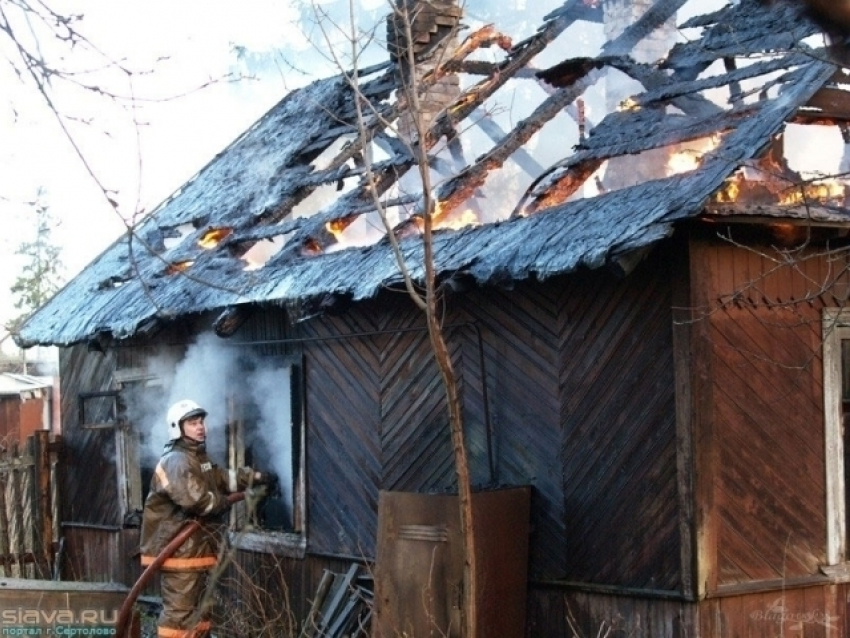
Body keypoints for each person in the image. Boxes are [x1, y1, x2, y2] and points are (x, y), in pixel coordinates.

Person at [140, 399, 277, 638]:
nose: (201, 427)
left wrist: (255, 477)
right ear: (177, 427)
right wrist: (225, 502)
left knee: (201, 616)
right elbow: (200, 502)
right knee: (179, 618)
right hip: (179, 553)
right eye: (193, 423)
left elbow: (222, 478)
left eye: (201, 421)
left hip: (196, 552)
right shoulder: (177, 461)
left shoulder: (197, 459)